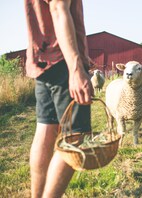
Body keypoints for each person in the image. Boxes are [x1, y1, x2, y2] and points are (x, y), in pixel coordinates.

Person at [24, 0, 94, 197]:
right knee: (75, 138)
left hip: (43, 60)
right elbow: (58, 8)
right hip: (62, 61)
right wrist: (75, 67)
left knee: (46, 130)